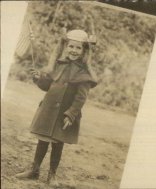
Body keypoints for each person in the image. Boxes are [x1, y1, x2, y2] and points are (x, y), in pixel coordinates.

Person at [15, 29, 98, 186]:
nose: (74, 50)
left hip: (63, 114)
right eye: (71, 46)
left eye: (78, 48)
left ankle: (52, 175)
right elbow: (48, 86)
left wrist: (71, 114)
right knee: (42, 140)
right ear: (65, 46)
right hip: (48, 110)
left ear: (84, 51)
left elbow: (81, 98)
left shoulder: (84, 73)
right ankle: (34, 170)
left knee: (57, 143)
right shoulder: (58, 65)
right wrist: (38, 79)